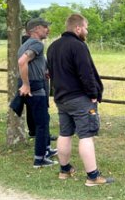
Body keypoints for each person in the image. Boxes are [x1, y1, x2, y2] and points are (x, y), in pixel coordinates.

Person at [47, 13, 114, 186]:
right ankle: (93, 177)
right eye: (86, 27)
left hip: (61, 98)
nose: (87, 31)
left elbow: (51, 74)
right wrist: (93, 93)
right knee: (86, 136)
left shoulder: (53, 47)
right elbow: (86, 73)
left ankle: (64, 170)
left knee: (65, 133)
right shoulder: (78, 46)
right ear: (78, 28)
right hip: (79, 98)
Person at [17, 18, 57, 168]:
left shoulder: (25, 44)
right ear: (36, 29)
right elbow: (22, 62)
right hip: (34, 87)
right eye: (45, 27)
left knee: (43, 119)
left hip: (32, 85)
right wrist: (26, 84)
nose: (48, 30)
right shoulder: (36, 44)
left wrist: (44, 71)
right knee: (41, 124)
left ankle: (46, 150)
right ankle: (39, 159)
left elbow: (31, 63)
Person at [22, 30, 57, 142]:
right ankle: (41, 134)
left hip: (39, 80)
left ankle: (36, 132)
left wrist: (46, 70)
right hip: (36, 81)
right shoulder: (32, 44)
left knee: (34, 107)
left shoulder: (30, 44)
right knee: (40, 107)